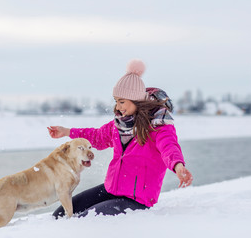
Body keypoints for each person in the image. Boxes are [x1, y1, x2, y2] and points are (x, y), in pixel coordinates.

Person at [47, 59, 193, 218]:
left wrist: (178, 165)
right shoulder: (119, 125)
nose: (118, 107)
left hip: (137, 200)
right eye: (116, 102)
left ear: (136, 100)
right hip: (112, 189)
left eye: (122, 102)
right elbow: (97, 137)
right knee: (62, 213)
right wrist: (67, 131)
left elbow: (169, 146)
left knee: (86, 219)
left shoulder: (158, 126)